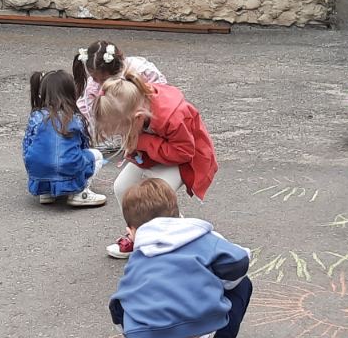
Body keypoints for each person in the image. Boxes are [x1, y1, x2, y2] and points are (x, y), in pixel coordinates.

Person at [108, 178, 251, 338]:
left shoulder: (138, 261)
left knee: (122, 303)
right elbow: (240, 261)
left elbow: (120, 305)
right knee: (243, 283)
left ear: (131, 232)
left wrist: (135, 333)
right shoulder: (202, 237)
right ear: (178, 215)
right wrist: (217, 285)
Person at [94, 74, 219, 259]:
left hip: (185, 160)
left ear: (137, 118)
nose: (121, 136)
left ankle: (175, 236)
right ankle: (138, 234)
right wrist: (140, 143)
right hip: (149, 153)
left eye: (122, 131)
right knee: (121, 187)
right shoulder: (131, 103)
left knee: (158, 194)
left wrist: (143, 142)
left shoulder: (172, 115)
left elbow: (184, 152)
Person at [23, 70, 105, 207]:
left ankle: (46, 192)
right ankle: (80, 193)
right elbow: (83, 145)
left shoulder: (36, 116)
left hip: (38, 172)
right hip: (67, 168)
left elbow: (27, 144)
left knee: (43, 157)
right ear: (70, 92)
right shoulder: (75, 118)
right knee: (96, 155)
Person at [74, 40, 168, 148]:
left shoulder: (140, 70)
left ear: (117, 68)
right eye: (94, 78)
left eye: (104, 79)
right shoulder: (94, 87)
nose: (100, 83)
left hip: (146, 119)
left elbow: (162, 95)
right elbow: (86, 112)